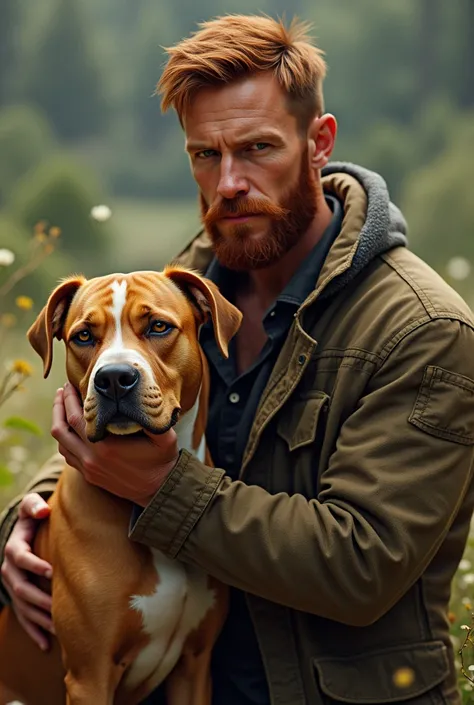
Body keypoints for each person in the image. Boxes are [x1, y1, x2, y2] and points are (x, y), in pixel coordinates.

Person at [1, 14, 474, 705]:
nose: (227, 184)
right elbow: (112, 413)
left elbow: (362, 567)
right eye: (205, 154)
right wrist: (33, 514)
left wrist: (162, 488)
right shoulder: (189, 283)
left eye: (256, 149)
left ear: (319, 143)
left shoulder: (423, 332)